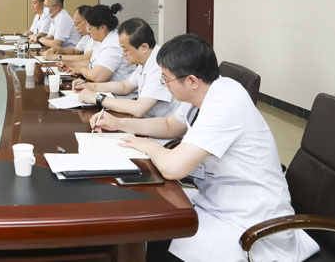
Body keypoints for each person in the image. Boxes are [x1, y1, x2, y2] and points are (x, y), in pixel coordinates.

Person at [90, 34, 320, 262]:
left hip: (249, 221)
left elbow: (173, 168)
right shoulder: (205, 92)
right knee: (149, 222)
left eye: (166, 79)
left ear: (191, 80)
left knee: (155, 238)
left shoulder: (225, 103)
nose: (164, 85)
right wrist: (119, 123)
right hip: (217, 200)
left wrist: (147, 144)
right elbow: (170, 126)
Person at [76, 17, 179, 119]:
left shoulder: (159, 66)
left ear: (144, 47)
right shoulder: (147, 58)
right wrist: (90, 86)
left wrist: (97, 98)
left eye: (126, 49)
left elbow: (139, 109)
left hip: (160, 126)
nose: (123, 54)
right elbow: (125, 86)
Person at [66, 3, 134, 84]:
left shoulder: (113, 44)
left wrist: (81, 70)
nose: (88, 32)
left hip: (115, 91)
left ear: (102, 28)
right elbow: (91, 63)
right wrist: (69, 65)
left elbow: (98, 76)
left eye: (90, 28)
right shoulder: (101, 40)